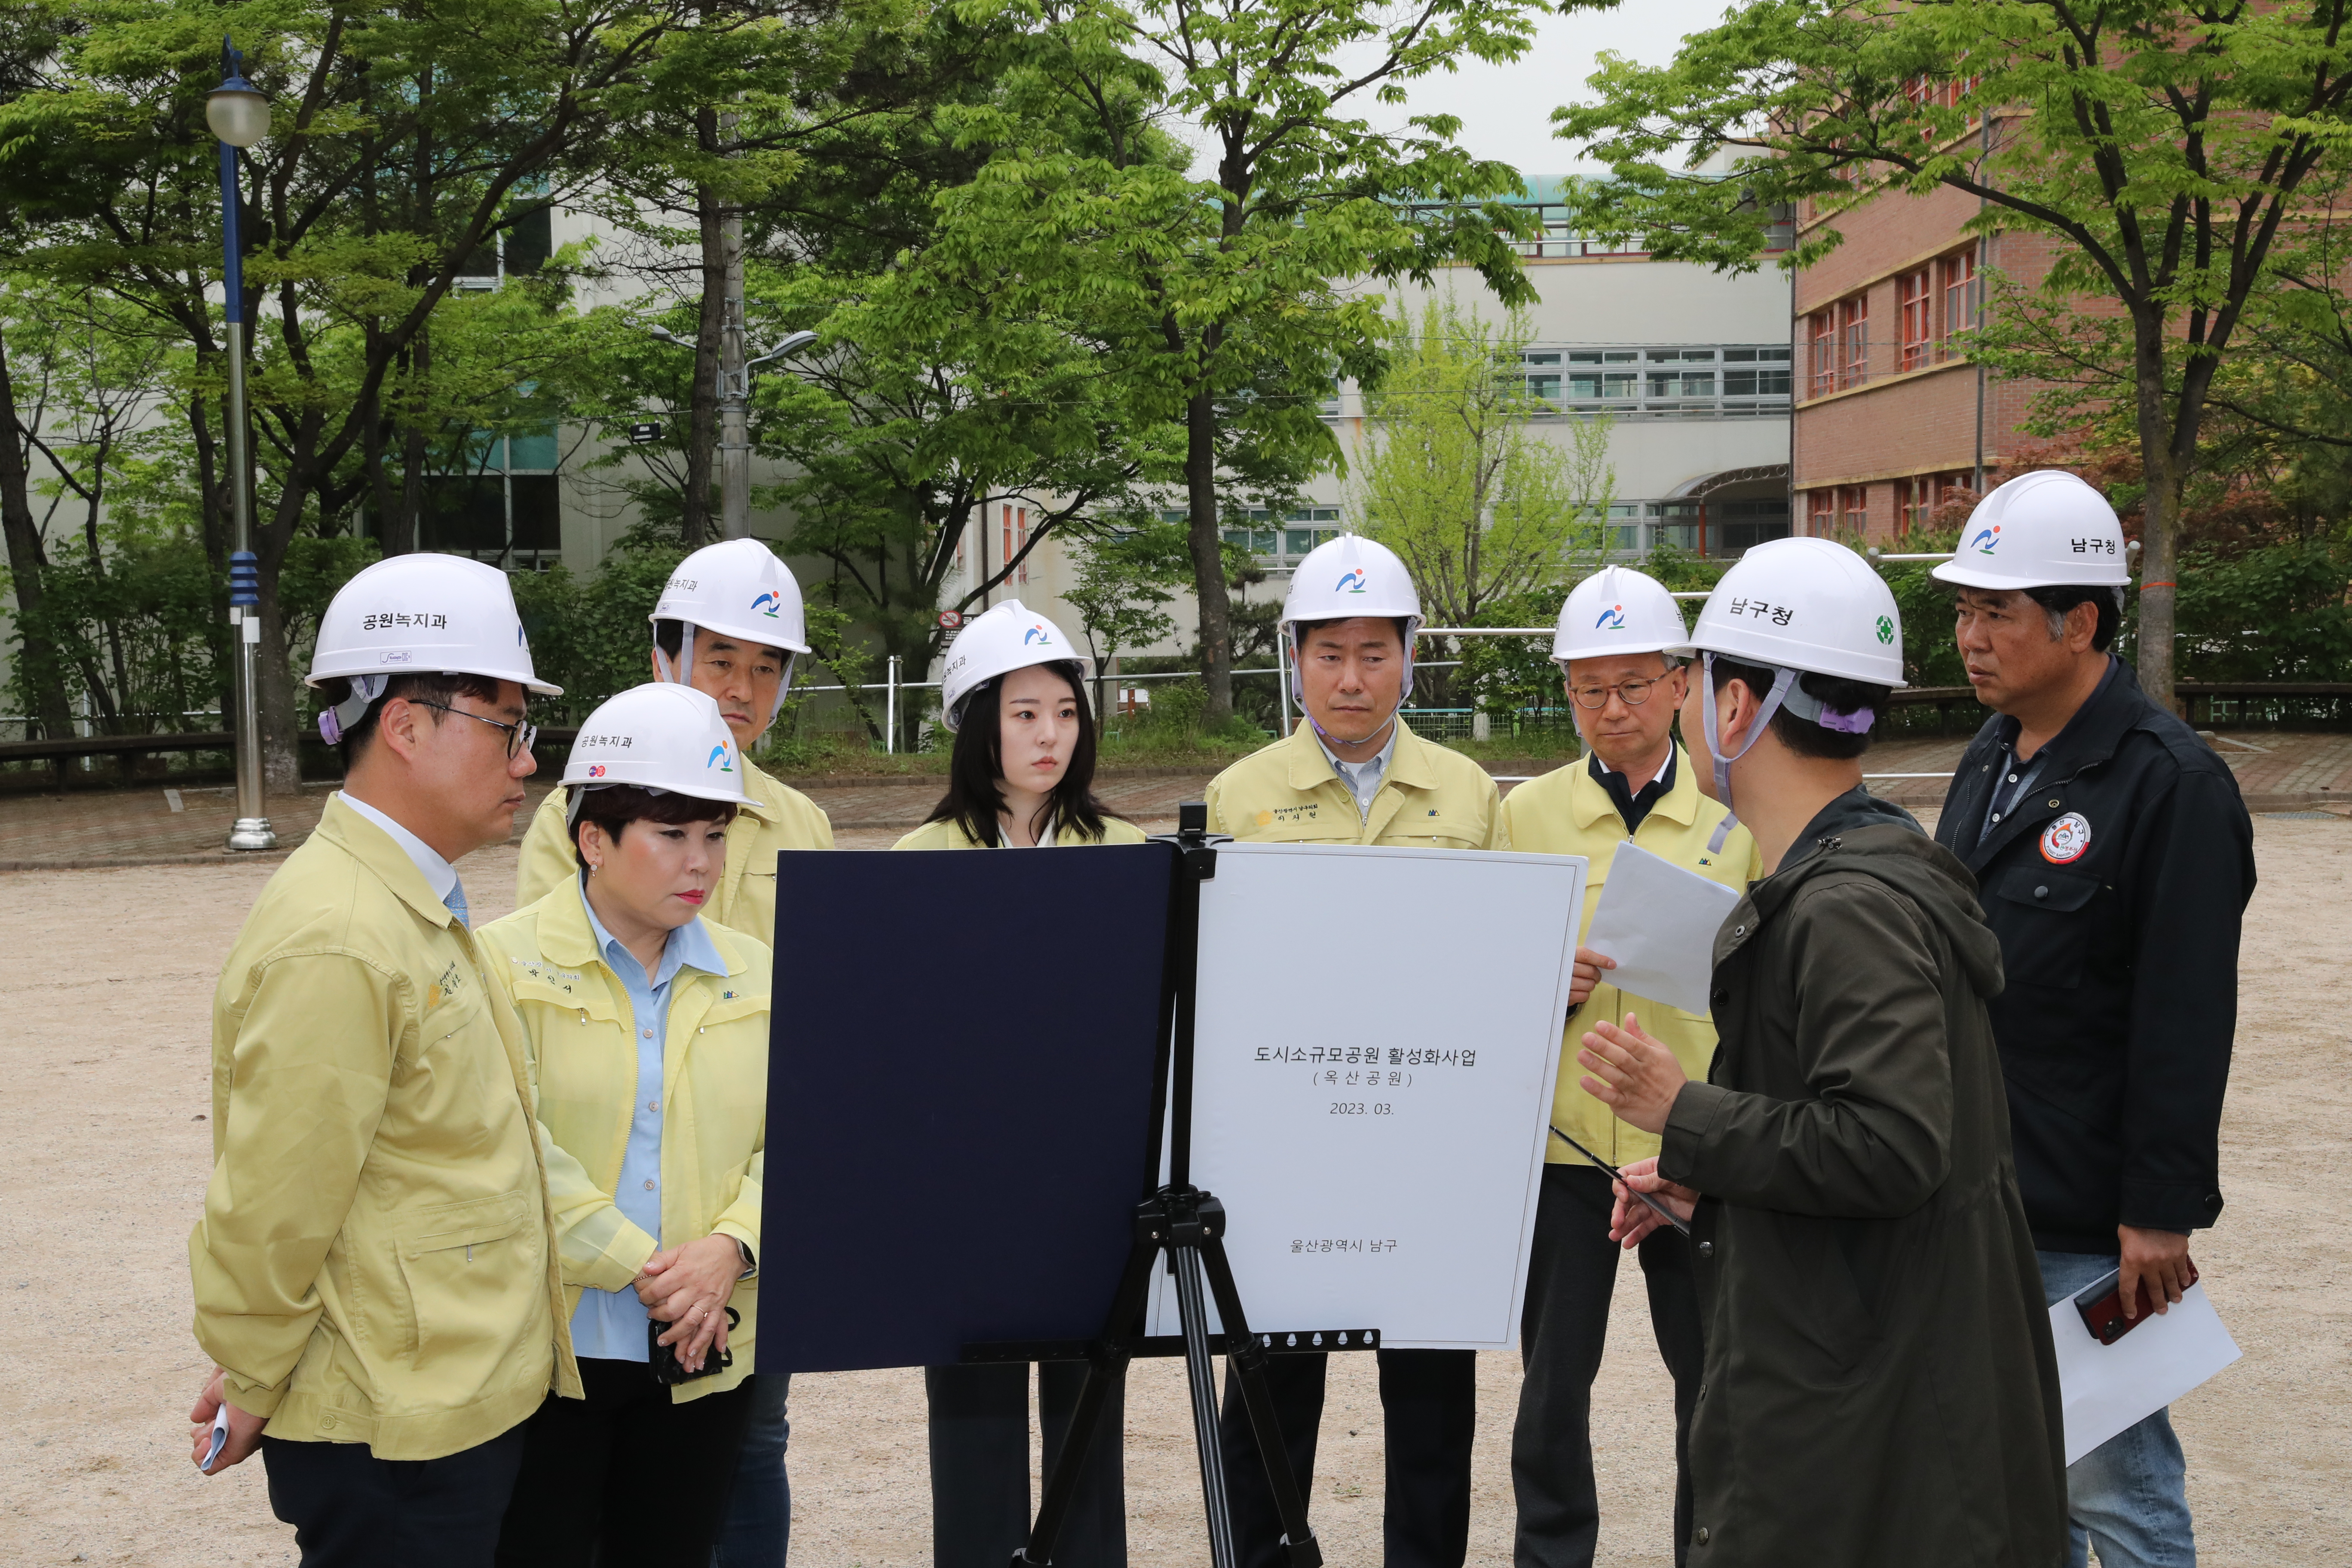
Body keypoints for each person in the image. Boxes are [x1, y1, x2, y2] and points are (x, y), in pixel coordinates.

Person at [1577, 536, 2067, 1566]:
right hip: (1876, 1345)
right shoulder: (1864, 868)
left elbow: (1892, 1145)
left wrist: (1687, 1111)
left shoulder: (1846, 906)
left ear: (1740, 707)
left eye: (1700, 678)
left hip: (1870, 1393)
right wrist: (1708, 1179)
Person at [186, 554, 580, 1566]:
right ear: (406, 725)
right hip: (393, 1428)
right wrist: (255, 1373)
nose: (528, 763)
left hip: (441, 1402)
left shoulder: (410, 902)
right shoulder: (344, 935)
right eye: (509, 729)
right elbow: (274, 1206)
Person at [1929, 471, 2253, 1568]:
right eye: (1963, 610)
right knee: (2015, 1483)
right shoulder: (1994, 753)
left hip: (2085, 1219)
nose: (1970, 637)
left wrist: (2159, 1215)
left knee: (2115, 1491)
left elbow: (2186, 1018)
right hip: (1981, 1188)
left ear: (2080, 623)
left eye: (1996, 611)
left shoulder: (2172, 786)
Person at [514, 537, 827, 1565]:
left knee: (750, 1441)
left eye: (766, 667)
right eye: (721, 659)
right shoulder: (585, 809)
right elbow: (542, 1043)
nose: (742, 689)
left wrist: (731, 1243)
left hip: (737, 1217)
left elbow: (820, 1059)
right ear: (667, 655)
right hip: (607, 1234)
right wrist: (649, 1263)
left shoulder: (804, 826)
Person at [1203, 533, 1505, 1568]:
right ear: (1294, 658)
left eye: (1374, 653)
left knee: (1431, 1402)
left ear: (1410, 657)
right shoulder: (1240, 795)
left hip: (1422, 1148)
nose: (1350, 677)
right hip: (1289, 1151)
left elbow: (1493, 971)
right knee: (1272, 1396)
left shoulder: (1469, 793)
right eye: (1328, 653)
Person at [1496, 566, 1759, 1568]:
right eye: (1589, 688)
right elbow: (1474, 984)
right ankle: (1553, 1554)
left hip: (1691, 1150)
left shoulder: (1738, 825)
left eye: (1635, 684)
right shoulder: (1522, 818)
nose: (1613, 708)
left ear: (1682, 682)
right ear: (1566, 693)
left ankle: (1713, 1552)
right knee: (1554, 1387)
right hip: (1563, 1151)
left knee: (1712, 1383)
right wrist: (1531, 977)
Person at [483, 683, 772, 1566]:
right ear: (593, 840)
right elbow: (507, 1146)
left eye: (716, 835)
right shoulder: (498, 965)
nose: (702, 864)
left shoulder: (759, 972)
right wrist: (651, 1273)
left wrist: (732, 1248)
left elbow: (806, 1142)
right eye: (673, 834)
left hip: (707, 1347)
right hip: (549, 1354)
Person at [894, 600, 1142, 1568]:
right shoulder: (918, 865)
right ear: (975, 724)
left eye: (1067, 713)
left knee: (1088, 1413)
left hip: (1091, 1184)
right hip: (964, 1190)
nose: (1050, 735)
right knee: (973, 1419)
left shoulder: (1127, 856)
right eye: (1025, 713)